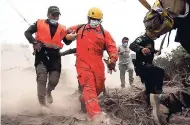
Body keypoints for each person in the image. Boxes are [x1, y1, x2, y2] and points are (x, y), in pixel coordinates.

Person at [66, 7, 118, 122]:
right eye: (92, 19)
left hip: (98, 63)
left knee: (98, 87)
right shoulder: (80, 28)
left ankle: (83, 98)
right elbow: (65, 32)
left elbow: (112, 47)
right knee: (89, 86)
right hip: (82, 62)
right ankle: (95, 116)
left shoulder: (105, 33)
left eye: (97, 19)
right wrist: (67, 37)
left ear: (100, 20)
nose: (94, 21)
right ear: (88, 18)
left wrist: (113, 60)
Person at [24, 6, 76, 107]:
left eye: (57, 15)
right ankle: (42, 105)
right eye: (53, 15)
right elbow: (27, 33)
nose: (56, 17)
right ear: (48, 15)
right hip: (41, 54)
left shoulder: (62, 28)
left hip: (55, 56)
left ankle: (49, 92)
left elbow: (67, 41)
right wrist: (34, 42)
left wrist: (72, 38)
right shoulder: (39, 23)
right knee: (41, 79)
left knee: (54, 80)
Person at [129, 33, 164, 105]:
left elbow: (150, 50)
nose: (157, 37)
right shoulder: (142, 38)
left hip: (149, 67)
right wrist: (141, 49)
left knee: (151, 86)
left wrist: (155, 51)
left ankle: (154, 99)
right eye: (157, 35)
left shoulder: (151, 41)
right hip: (141, 66)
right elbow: (132, 45)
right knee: (159, 72)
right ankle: (156, 96)